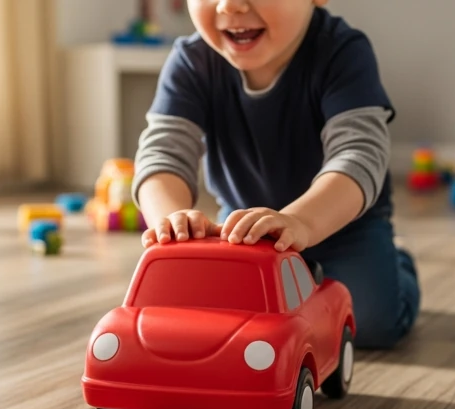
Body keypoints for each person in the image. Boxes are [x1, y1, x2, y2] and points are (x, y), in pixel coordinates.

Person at [131, 0, 420, 349]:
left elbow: (358, 155)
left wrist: (301, 222)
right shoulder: (191, 62)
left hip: (344, 227)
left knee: (371, 325)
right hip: (243, 231)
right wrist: (171, 220)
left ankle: (397, 261)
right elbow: (163, 153)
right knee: (221, 319)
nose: (231, 5)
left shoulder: (342, 51)